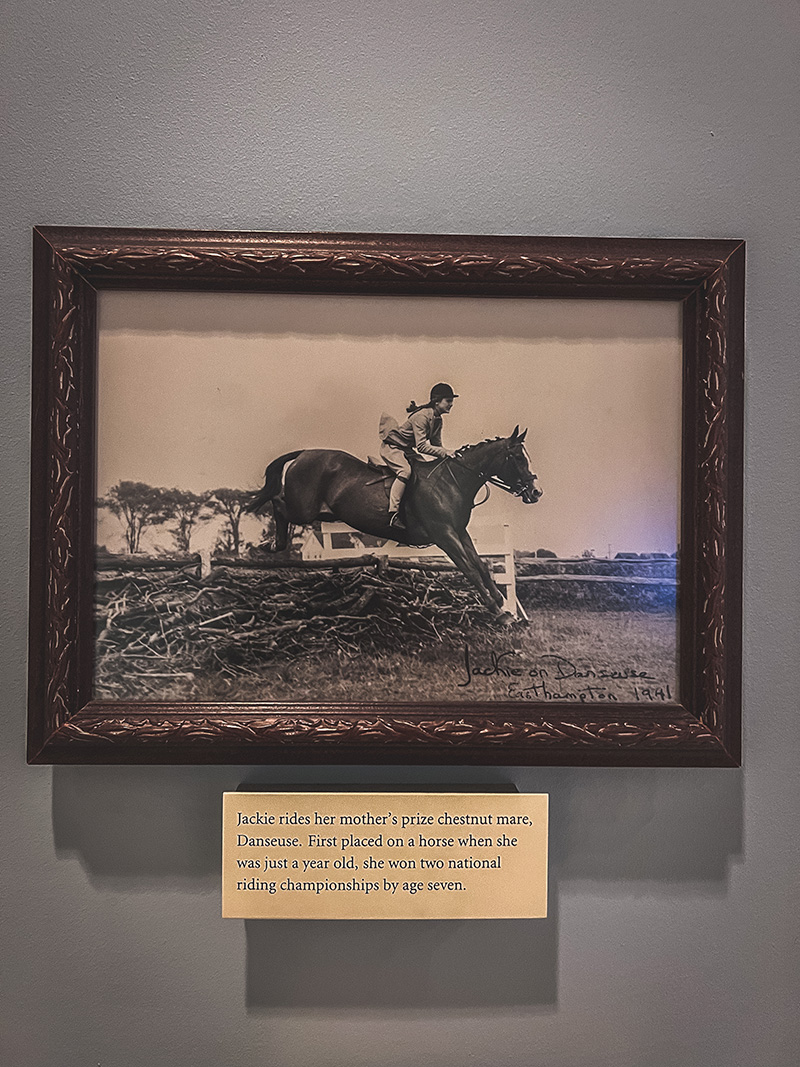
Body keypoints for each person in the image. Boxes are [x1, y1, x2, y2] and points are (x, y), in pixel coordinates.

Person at [379, 383, 458, 528]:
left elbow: (437, 446)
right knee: (405, 471)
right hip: (392, 447)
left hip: (406, 450)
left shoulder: (438, 419)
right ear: (437, 401)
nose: (451, 404)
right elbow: (421, 446)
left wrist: (451, 456)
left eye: (451, 400)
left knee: (424, 474)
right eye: (448, 400)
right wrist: (445, 452)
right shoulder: (421, 417)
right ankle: (393, 513)